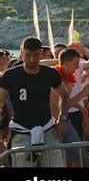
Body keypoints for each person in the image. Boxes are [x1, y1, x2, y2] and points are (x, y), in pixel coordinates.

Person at [0, 37, 70, 167]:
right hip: (21, 131)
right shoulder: (10, 75)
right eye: (28, 55)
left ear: (41, 54)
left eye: (36, 55)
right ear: (21, 53)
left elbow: (65, 96)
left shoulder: (50, 73)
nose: (32, 59)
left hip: (48, 130)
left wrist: (63, 119)